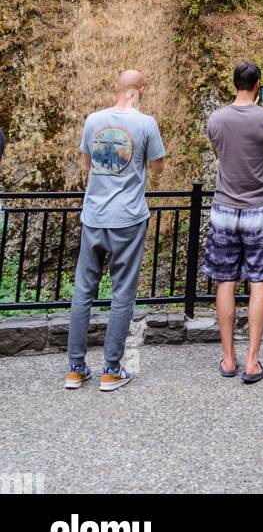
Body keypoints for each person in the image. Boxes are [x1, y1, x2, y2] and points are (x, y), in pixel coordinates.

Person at [66, 70, 165, 392]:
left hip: (93, 216)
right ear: (139, 90)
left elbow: (86, 163)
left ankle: (75, 369)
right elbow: (158, 167)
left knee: (83, 292)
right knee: (122, 294)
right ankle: (111, 370)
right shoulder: (146, 124)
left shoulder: (93, 120)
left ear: (116, 88)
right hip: (128, 218)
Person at [204, 61, 263, 385]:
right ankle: (252, 363)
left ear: (234, 84)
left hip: (224, 209)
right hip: (259, 211)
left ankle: (228, 359)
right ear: (258, 85)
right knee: (258, 282)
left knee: (225, 281)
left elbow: (219, 152)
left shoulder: (216, 119)